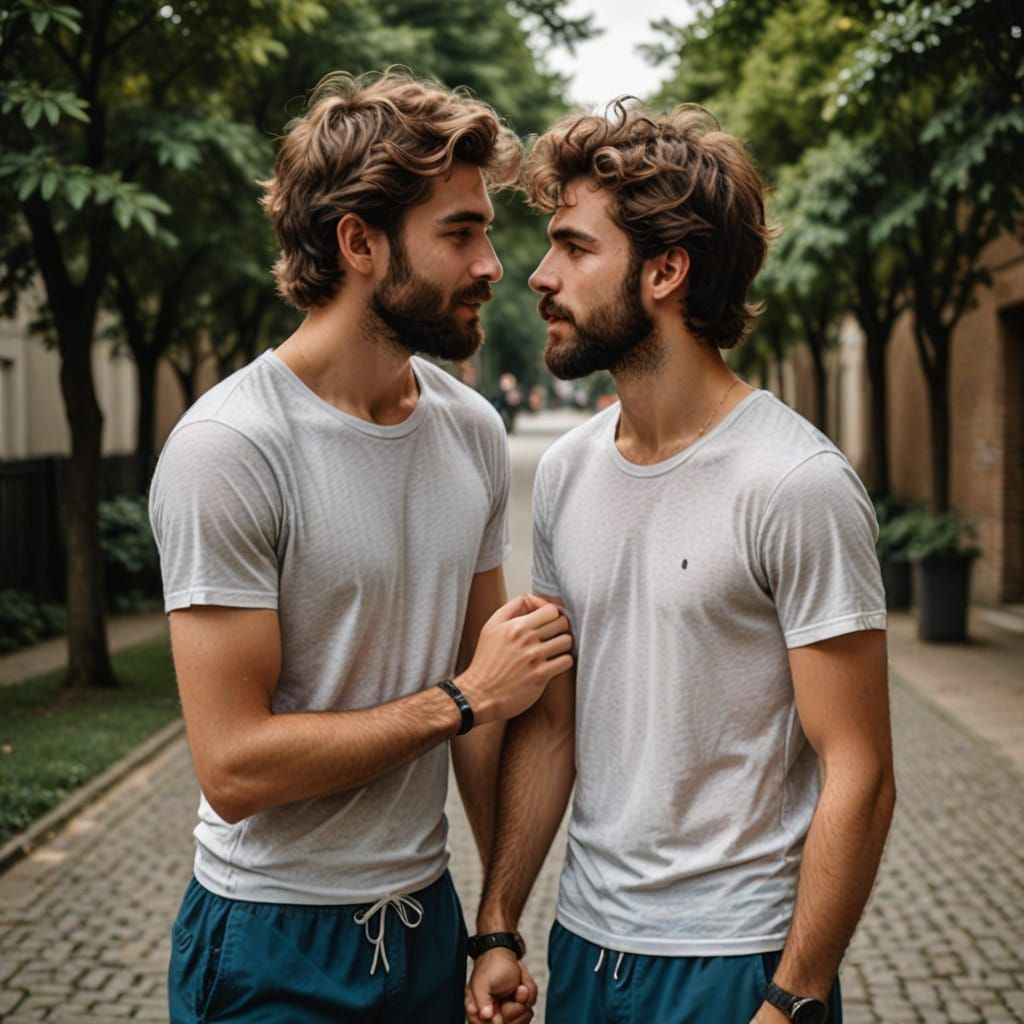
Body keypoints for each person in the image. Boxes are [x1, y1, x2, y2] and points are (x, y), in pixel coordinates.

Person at [148, 69, 573, 1024]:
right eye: (460, 233)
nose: (494, 264)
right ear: (360, 242)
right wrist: (460, 699)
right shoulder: (232, 449)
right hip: (271, 937)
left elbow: (491, 708)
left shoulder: (470, 430)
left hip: (425, 919)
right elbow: (235, 767)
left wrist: (496, 927)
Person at [465, 102, 896, 1024]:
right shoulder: (570, 472)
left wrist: (795, 997)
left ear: (665, 270)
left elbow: (858, 766)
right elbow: (551, 728)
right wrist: (499, 924)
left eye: (575, 248)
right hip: (586, 949)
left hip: (735, 962)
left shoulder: (796, 482)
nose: (538, 277)